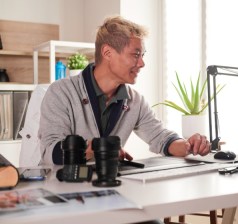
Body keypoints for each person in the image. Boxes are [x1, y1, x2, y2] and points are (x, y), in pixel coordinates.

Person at [38, 15, 210, 165]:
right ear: (107, 52)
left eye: (142, 55)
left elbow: (161, 138)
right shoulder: (61, 92)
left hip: (110, 187)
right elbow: (51, 152)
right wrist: (102, 148)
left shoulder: (135, 101)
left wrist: (189, 145)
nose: (142, 63)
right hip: (65, 189)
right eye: (136, 55)